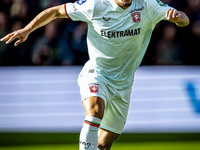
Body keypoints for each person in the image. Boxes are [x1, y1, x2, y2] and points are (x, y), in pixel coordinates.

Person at [0, 0, 189, 149]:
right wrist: (28, 29)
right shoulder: (95, 5)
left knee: (104, 144)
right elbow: (55, 11)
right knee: (95, 110)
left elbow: (184, 20)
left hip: (123, 83)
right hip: (97, 73)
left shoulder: (147, 5)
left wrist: (177, 17)